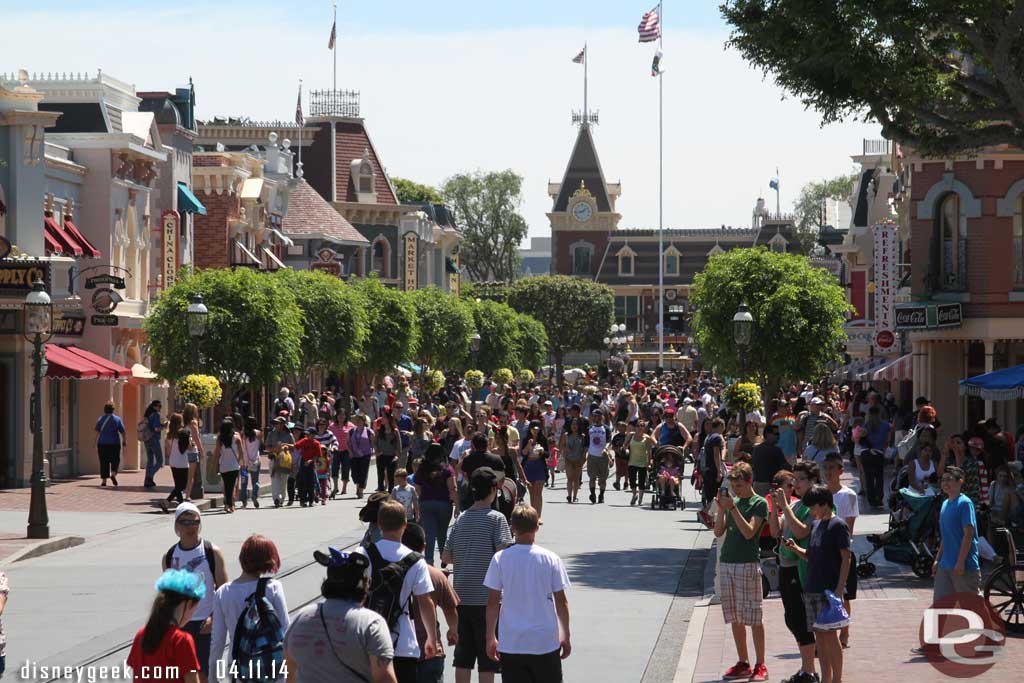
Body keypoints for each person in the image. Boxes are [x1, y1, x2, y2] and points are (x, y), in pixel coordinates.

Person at [483, 504, 571, 683]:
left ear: (512, 527)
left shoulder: (500, 558)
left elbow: (493, 602)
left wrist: (490, 636)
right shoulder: (551, 559)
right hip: (544, 641)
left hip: (512, 641)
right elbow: (561, 602)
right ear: (537, 527)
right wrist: (566, 635)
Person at [443, 468, 513, 683]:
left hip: (461, 597)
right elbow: (503, 553)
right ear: (493, 490)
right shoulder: (497, 519)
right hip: (487, 599)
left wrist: (468, 555)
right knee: (487, 658)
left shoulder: (461, 519)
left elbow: (447, 555)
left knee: (463, 658)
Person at [357, 500, 439, 683]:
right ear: (404, 524)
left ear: (379, 524)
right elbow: (425, 602)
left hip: (366, 642)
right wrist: (432, 638)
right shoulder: (416, 561)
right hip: (403, 645)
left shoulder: (363, 553)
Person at [285, 547, 396, 683]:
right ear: (365, 584)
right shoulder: (371, 624)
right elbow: (385, 678)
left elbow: (290, 674)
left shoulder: (300, 618)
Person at [782, 484, 852, 683]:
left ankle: (837, 679)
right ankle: (826, 679)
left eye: (813, 507)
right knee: (819, 638)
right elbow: (811, 556)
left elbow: (846, 557)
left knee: (830, 636)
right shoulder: (815, 525)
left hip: (828, 589)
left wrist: (840, 588)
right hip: (811, 587)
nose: (811, 512)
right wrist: (795, 548)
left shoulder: (838, 525)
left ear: (823, 504)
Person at [713, 462, 769, 682]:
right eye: (733, 486)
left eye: (739, 485)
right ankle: (743, 661)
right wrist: (721, 509)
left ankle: (760, 663)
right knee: (735, 616)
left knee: (754, 615)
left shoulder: (758, 503)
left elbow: (749, 532)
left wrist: (733, 508)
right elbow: (718, 532)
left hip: (747, 563)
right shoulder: (732, 502)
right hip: (727, 561)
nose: (735, 490)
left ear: (749, 482)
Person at [162, 503, 229, 683]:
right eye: (185, 522)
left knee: (205, 675)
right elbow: (168, 597)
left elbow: (224, 591)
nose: (190, 526)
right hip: (180, 625)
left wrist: (214, 618)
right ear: (176, 526)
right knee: (183, 675)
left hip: (205, 625)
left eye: (195, 521)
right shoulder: (170, 556)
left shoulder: (211, 552)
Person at [209, 535, 289, 680]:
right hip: (272, 667)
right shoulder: (273, 588)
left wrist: (212, 678)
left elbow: (218, 641)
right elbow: (286, 630)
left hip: (239, 668)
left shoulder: (223, 593)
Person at [768, 461, 820, 683]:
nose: (795, 484)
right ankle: (805, 669)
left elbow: (800, 531)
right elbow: (774, 532)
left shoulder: (811, 506)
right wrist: (775, 506)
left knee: (800, 619)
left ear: (812, 481)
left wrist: (786, 507)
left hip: (801, 569)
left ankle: (810, 672)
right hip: (786, 567)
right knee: (792, 618)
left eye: (799, 480)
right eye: (793, 481)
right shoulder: (796, 505)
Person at [402, 523, 460, 683]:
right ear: (423, 547)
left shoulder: (390, 573)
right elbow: (450, 609)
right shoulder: (435, 575)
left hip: (400, 650)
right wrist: (453, 630)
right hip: (431, 650)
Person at [127, 569, 205, 683]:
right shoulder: (181, 640)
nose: (192, 615)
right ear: (187, 604)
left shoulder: (141, 635)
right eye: (194, 609)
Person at [821, 453, 857, 649]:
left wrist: (843, 548)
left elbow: (849, 527)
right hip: (823, 553)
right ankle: (829, 630)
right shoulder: (819, 494)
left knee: (843, 594)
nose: (828, 472)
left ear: (840, 471)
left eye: (832, 468)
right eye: (825, 468)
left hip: (842, 551)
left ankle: (844, 632)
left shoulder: (848, 495)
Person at [933, 466, 980, 599]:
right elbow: (946, 536)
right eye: (943, 480)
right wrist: (937, 559)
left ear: (960, 481)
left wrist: (960, 562)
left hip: (964, 566)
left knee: (970, 609)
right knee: (940, 608)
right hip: (945, 565)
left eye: (949, 479)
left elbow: (968, 534)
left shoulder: (965, 503)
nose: (945, 483)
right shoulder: (945, 504)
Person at [415, 444, 458, 566]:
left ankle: (429, 560)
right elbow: (453, 488)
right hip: (444, 504)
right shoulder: (447, 468)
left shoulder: (422, 468)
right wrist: (457, 506)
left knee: (429, 533)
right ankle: (444, 558)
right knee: (442, 532)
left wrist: (423, 498)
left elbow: (417, 486)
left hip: (426, 503)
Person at [212, 419, 243, 514]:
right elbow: (241, 453)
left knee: (227, 485)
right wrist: (239, 462)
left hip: (224, 466)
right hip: (234, 466)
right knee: (231, 485)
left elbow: (216, 454)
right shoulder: (236, 438)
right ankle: (229, 505)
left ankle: (228, 504)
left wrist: (214, 468)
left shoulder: (220, 439)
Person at [520, 422, 549, 519]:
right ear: (530, 429)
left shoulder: (543, 439)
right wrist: (528, 445)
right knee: (532, 493)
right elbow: (523, 453)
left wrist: (541, 452)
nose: (535, 431)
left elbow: (547, 453)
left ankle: (539, 516)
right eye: (533, 429)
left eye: (537, 429)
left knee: (538, 492)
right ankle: (534, 516)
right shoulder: (526, 439)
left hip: (540, 466)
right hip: (529, 466)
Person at [96, 402, 127, 488]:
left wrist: (95, 442)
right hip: (114, 443)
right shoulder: (117, 419)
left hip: (102, 443)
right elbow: (123, 431)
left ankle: (104, 481)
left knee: (103, 461)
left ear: (104, 410)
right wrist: (124, 441)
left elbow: (97, 431)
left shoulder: (100, 419)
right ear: (113, 410)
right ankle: (113, 474)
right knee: (115, 460)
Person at [751, 424, 788, 496]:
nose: (778, 436)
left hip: (756, 484)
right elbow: (785, 467)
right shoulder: (776, 450)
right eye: (776, 434)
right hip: (769, 486)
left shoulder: (756, 449)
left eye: (778, 434)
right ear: (768, 434)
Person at [163, 414, 189, 510]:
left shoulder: (169, 435)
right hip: (182, 461)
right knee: (182, 485)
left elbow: (168, 451)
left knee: (177, 484)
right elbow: (189, 447)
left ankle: (181, 505)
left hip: (173, 461)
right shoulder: (182, 434)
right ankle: (167, 501)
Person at [627, 421, 656, 506]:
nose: (640, 427)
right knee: (632, 480)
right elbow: (625, 445)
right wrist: (626, 450)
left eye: (642, 426)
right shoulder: (631, 435)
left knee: (641, 481)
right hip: (632, 461)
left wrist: (649, 461)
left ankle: (640, 499)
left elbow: (649, 450)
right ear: (635, 427)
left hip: (643, 462)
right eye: (638, 426)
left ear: (644, 427)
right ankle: (634, 494)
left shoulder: (647, 437)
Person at [586, 411, 612, 504]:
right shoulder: (589, 428)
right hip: (592, 456)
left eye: (598, 416)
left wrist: (606, 448)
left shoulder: (606, 428)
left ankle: (601, 495)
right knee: (592, 477)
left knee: (602, 479)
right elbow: (586, 442)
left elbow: (609, 440)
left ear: (601, 417)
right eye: (594, 416)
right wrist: (585, 454)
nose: (596, 418)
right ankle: (592, 494)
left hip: (603, 456)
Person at [558, 418, 586, 504]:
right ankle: (569, 496)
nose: (574, 426)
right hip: (569, 459)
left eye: (576, 424)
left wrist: (583, 458)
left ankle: (575, 496)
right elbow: (561, 446)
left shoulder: (582, 436)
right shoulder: (566, 435)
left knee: (576, 479)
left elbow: (585, 448)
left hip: (578, 459)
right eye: (572, 424)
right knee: (569, 478)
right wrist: (564, 449)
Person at [330, 408, 354, 498]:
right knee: (334, 468)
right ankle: (336, 487)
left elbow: (354, 435)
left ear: (345, 416)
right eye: (339, 415)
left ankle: (344, 488)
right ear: (336, 416)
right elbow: (329, 436)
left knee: (346, 468)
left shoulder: (350, 425)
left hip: (346, 450)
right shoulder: (332, 426)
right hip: (335, 450)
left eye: (343, 415)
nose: (341, 416)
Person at [238, 417, 262, 509]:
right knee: (255, 480)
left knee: (244, 482)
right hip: (256, 460)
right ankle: (254, 495)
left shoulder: (243, 434)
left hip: (245, 462)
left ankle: (244, 501)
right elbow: (260, 445)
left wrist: (244, 460)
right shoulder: (259, 433)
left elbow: (243, 448)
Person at [349, 413, 375, 499]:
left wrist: (374, 451)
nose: (358, 421)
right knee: (354, 474)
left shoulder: (368, 431)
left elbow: (373, 442)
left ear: (364, 421)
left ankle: (360, 490)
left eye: (359, 420)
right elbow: (348, 443)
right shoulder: (352, 431)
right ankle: (358, 486)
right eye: (356, 420)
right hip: (354, 455)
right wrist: (350, 452)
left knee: (363, 473)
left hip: (365, 455)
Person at [182, 403, 203, 502]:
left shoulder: (183, 423)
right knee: (191, 476)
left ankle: (183, 493)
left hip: (184, 451)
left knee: (185, 475)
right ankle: (187, 496)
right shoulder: (193, 423)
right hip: (193, 451)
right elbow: (196, 438)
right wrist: (201, 450)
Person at [142, 400, 165, 489]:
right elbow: (156, 428)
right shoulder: (156, 415)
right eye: (159, 406)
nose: (160, 408)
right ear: (154, 406)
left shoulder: (147, 415)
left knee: (150, 460)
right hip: (154, 438)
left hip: (146, 439)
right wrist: (163, 426)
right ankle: (149, 477)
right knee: (160, 460)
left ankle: (147, 482)